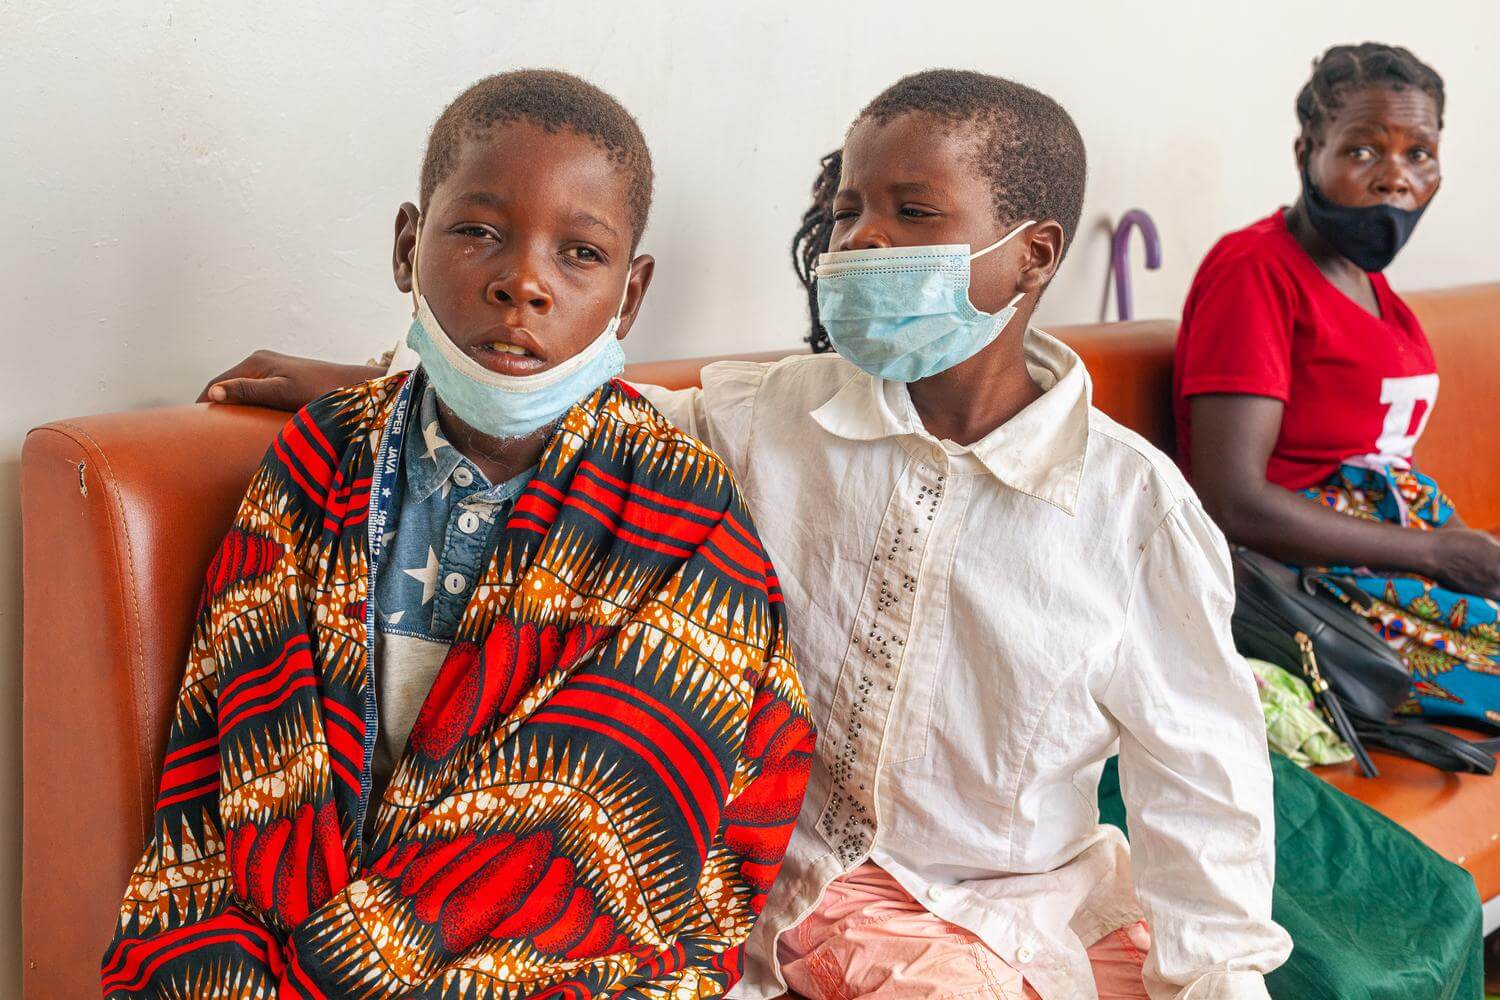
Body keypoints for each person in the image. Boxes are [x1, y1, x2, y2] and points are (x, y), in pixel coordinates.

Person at [201, 69, 1291, 999]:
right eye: (850, 209)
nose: (864, 239)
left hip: (1006, 911)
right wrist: (376, 378)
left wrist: (1220, 978)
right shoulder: (775, 412)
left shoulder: (1133, 511)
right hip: (781, 891)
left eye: (914, 215)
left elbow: (1204, 785)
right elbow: (567, 400)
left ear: (1032, 254)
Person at [102, 70, 813, 998]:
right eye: (478, 231)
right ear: (408, 247)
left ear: (630, 296)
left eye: (580, 254)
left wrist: (352, 973)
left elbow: (625, 821)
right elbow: (234, 747)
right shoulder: (320, 458)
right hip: (276, 955)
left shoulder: (682, 514)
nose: (522, 281)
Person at [1175, 43, 1500, 726]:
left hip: (1393, 557)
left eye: (1419, 153)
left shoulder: (1368, 281)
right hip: (1304, 579)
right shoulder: (1257, 271)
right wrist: (1439, 555)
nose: (1395, 178)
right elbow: (1232, 500)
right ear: (1307, 153)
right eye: (1362, 152)